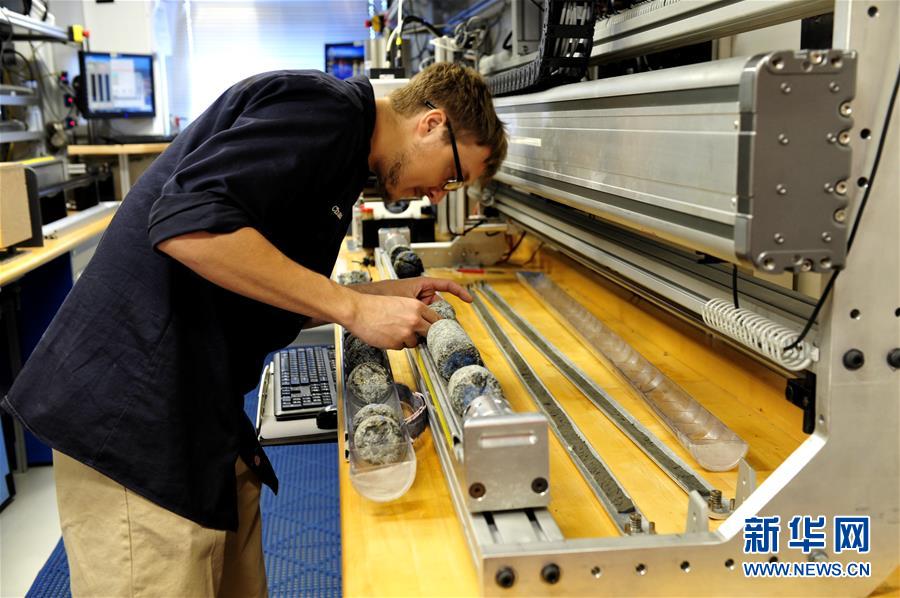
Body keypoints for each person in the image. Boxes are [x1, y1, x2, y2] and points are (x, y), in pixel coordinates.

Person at [2, 62, 507, 597]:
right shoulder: (327, 113)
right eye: (453, 176)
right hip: (135, 419)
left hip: (201, 412)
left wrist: (376, 297)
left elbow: (264, 287)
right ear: (431, 124)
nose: (438, 196)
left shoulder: (342, 154)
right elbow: (186, 225)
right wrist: (353, 310)